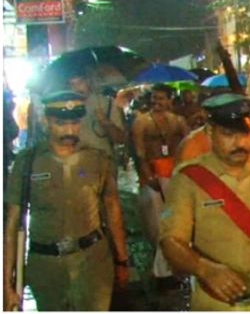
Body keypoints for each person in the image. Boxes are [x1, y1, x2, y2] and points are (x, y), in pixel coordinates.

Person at [159, 93, 250, 310]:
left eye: (245, 134)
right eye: (228, 134)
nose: (239, 143)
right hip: (222, 306)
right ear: (210, 132)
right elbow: (170, 241)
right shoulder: (189, 179)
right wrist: (204, 268)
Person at [3, 91, 129, 311]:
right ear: (46, 120)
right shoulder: (28, 162)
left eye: (74, 123)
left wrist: (122, 260)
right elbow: (12, 225)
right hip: (46, 266)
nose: (69, 131)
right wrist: (6, 284)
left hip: (93, 261)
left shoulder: (98, 159)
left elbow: (112, 209)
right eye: (61, 123)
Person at [131, 83, 189, 280]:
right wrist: (148, 176)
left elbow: (188, 145)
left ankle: (173, 268)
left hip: (174, 174)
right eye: (154, 98)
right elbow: (139, 153)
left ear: (170, 100)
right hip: (153, 175)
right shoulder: (141, 122)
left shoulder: (178, 121)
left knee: (176, 221)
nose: (157, 102)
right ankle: (162, 271)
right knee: (156, 225)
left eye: (161, 99)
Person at [67, 71, 127, 157]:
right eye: (72, 85)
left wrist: (104, 120)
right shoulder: (66, 108)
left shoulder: (107, 103)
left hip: (104, 162)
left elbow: (121, 138)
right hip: (76, 163)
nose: (77, 88)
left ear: (88, 82)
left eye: (80, 83)